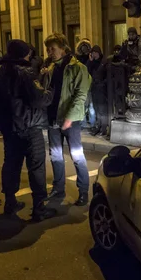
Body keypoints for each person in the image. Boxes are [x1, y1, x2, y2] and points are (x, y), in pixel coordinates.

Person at [0, 40, 56, 221]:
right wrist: (50, 91)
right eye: (28, 53)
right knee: (36, 167)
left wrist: (1, 124)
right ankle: (39, 208)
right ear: (22, 54)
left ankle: (10, 201)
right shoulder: (24, 72)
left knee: (11, 164)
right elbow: (38, 98)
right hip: (29, 126)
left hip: (9, 128)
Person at [42, 33, 92, 207]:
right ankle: (58, 188)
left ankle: (83, 191)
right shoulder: (50, 68)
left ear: (63, 48)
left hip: (70, 120)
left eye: (52, 48)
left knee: (77, 156)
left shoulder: (78, 68)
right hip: (53, 119)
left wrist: (69, 119)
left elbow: (80, 95)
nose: (49, 52)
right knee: (55, 155)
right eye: (47, 49)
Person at [87, 45, 104, 135]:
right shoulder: (92, 62)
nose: (94, 55)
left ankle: (103, 127)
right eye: (93, 53)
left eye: (95, 53)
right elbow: (87, 70)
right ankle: (98, 126)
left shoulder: (103, 61)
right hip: (94, 87)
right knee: (95, 108)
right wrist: (90, 61)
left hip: (101, 88)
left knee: (101, 108)